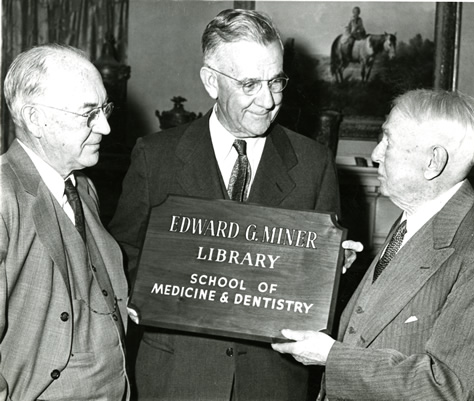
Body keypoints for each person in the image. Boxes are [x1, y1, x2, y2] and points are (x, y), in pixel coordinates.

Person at [109, 8, 362, 401]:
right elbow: (122, 256)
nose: (268, 100)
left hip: (271, 384)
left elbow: (315, 296)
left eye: (276, 81)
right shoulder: (155, 156)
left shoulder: (314, 164)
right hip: (176, 378)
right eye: (249, 85)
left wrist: (332, 269)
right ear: (211, 81)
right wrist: (149, 294)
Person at [272, 89, 474, 400]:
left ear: (433, 161)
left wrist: (331, 357)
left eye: (388, 141)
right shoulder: (416, 215)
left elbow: (446, 388)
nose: (377, 153)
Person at [0, 44, 130, 400]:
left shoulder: (82, 186)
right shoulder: (3, 195)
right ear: (35, 119)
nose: (105, 127)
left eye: (104, 109)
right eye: (89, 114)